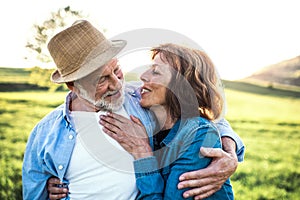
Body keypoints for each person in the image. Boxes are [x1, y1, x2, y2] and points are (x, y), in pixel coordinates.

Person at [22, 20, 243, 200]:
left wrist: (229, 153)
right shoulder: (45, 133)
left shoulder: (141, 96)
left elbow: (202, 115)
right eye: (102, 80)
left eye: (116, 70)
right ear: (74, 86)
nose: (118, 84)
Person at [99, 43, 236, 199]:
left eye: (155, 72)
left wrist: (142, 154)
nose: (142, 76)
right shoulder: (147, 120)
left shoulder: (197, 134)